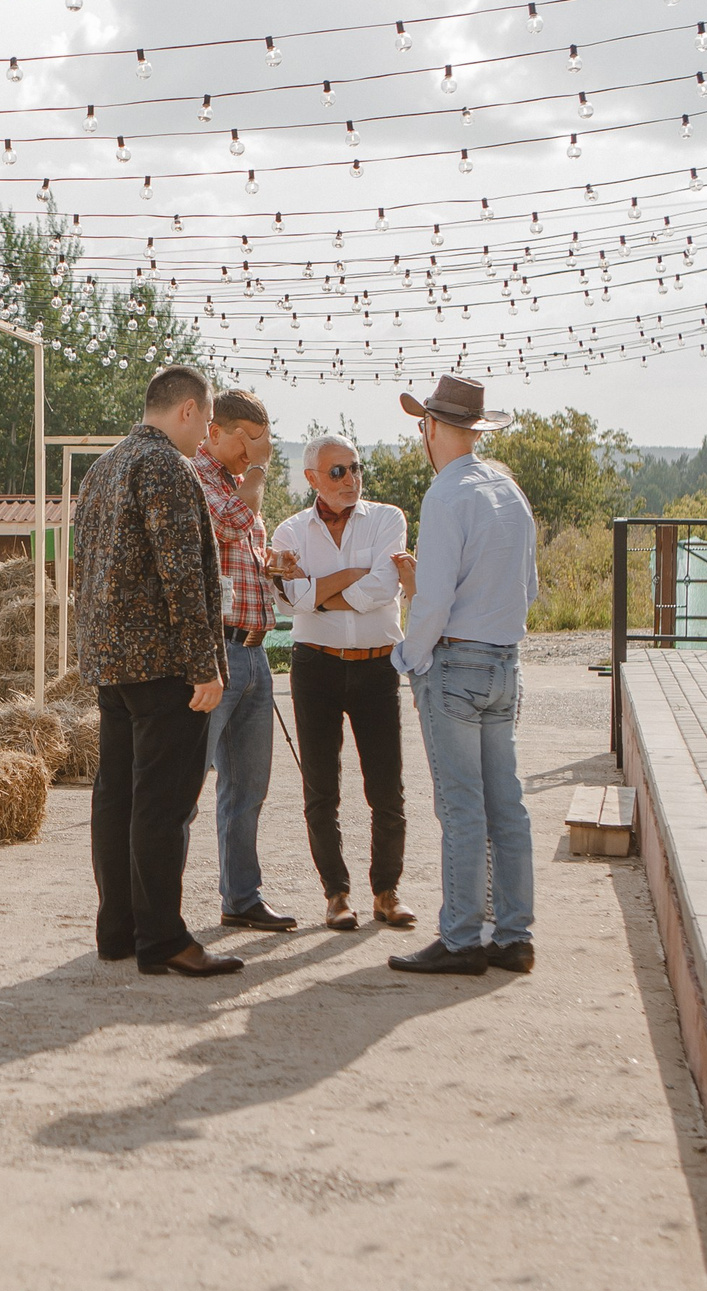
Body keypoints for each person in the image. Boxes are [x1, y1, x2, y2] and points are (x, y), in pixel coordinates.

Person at [73, 364, 245, 977]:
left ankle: (118, 929)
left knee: (115, 796)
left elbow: (82, 572)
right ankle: (165, 938)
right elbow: (181, 576)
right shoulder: (167, 468)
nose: (206, 438)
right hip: (164, 664)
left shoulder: (103, 468)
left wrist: (92, 652)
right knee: (162, 803)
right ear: (190, 410)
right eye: (207, 423)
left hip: (110, 664)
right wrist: (205, 666)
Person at [384, 375, 541, 977]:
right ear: (472, 431)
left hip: (455, 662)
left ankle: (460, 938)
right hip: (505, 660)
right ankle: (513, 934)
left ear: (429, 429)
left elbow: (434, 600)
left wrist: (409, 658)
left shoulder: (445, 496)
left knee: (461, 806)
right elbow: (526, 588)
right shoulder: (508, 489)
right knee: (508, 804)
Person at [271, 436, 419, 932]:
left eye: (356, 468)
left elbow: (384, 587)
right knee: (321, 788)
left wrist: (319, 591)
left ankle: (386, 891)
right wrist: (347, 578)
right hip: (316, 667)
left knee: (386, 787)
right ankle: (336, 895)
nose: (351, 479)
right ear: (311, 477)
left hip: (377, 667)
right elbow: (290, 601)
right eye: (337, 472)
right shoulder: (289, 531)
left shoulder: (387, 518)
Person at [182, 388, 303, 933]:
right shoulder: (197, 477)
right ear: (220, 431)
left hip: (255, 655)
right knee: (185, 788)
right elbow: (230, 523)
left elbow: (236, 546)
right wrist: (255, 475)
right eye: (251, 442)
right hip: (218, 654)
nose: (257, 455)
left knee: (248, 788)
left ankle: (241, 897)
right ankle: (163, 910)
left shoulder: (234, 486)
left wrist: (271, 562)